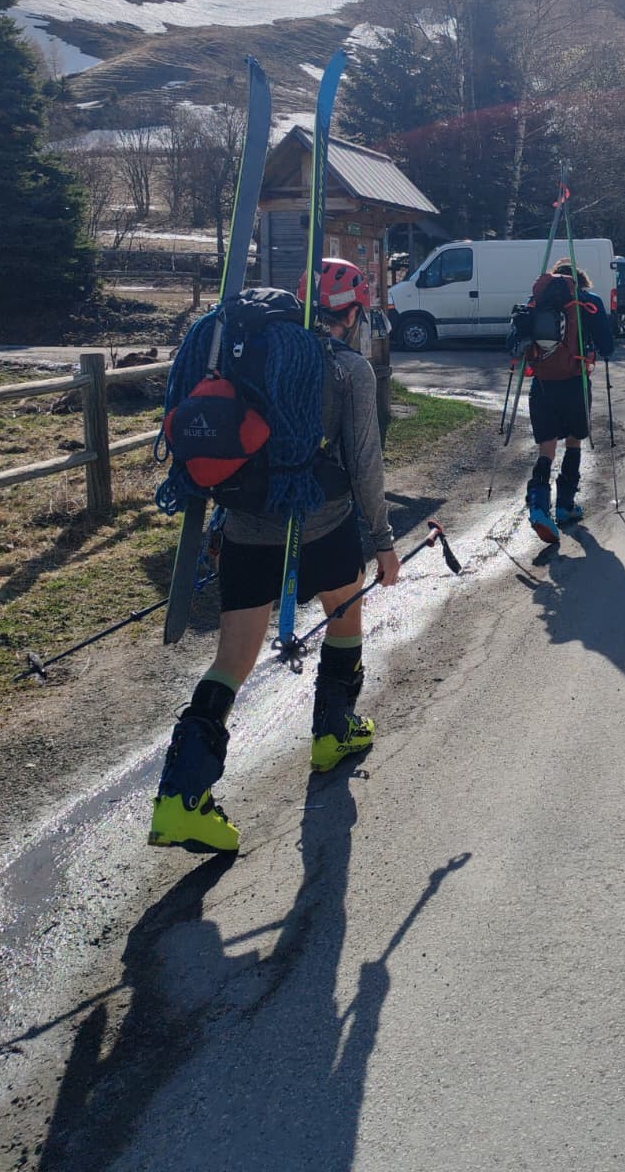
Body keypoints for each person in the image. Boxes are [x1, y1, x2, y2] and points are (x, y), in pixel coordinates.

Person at [149, 259, 400, 856]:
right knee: (346, 610)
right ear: (355, 312)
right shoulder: (349, 370)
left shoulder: (255, 355)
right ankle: (332, 733)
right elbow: (365, 463)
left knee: (233, 655)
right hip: (324, 523)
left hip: (246, 526)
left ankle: (179, 800)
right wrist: (385, 540)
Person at [512, 257, 615, 545]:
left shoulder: (534, 301)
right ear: (579, 280)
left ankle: (538, 505)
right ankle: (565, 505)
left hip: (542, 384)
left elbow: (514, 342)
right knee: (573, 441)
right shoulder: (587, 301)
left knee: (546, 447)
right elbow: (608, 347)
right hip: (575, 383)